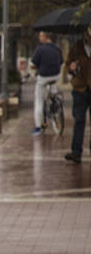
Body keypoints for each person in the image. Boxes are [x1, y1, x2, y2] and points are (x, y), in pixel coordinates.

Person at [65, 26, 91, 164]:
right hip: (80, 89)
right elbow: (67, 65)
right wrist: (71, 67)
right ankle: (76, 152)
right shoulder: (77, 47)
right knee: (79, 120)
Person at [30, 31, 64, 135]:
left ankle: (38, 127)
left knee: (39, 101)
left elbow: (33, 64)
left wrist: (36, 68)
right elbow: (61, 62)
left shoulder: (40, 49)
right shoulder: (57, 48)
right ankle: (55, 103)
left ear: (45, 37)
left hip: (44, 77)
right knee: (52, 90)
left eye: (40, 36)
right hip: (55, 75)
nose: (39, 38)